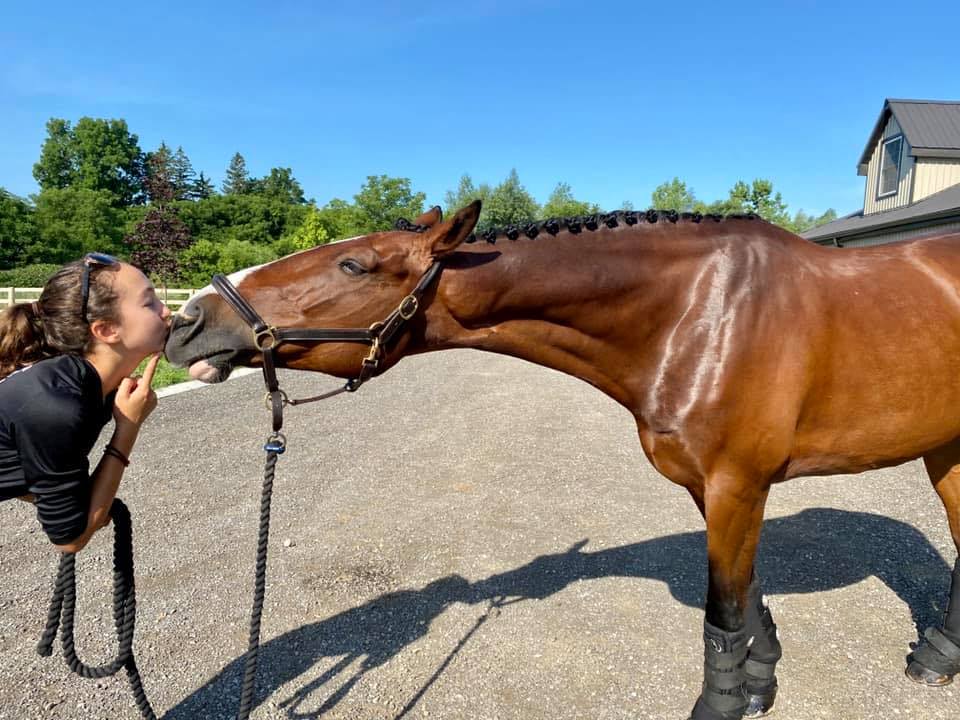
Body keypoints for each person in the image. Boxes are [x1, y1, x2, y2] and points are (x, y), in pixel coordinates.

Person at [0, 254, 171, 553]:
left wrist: (87, 501)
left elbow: (33, 467)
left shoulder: (91, 386)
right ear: (106, 330)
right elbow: (70, 539)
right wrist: (128, 428)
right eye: (150, 303)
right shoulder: (55, 405)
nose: (166, 312)